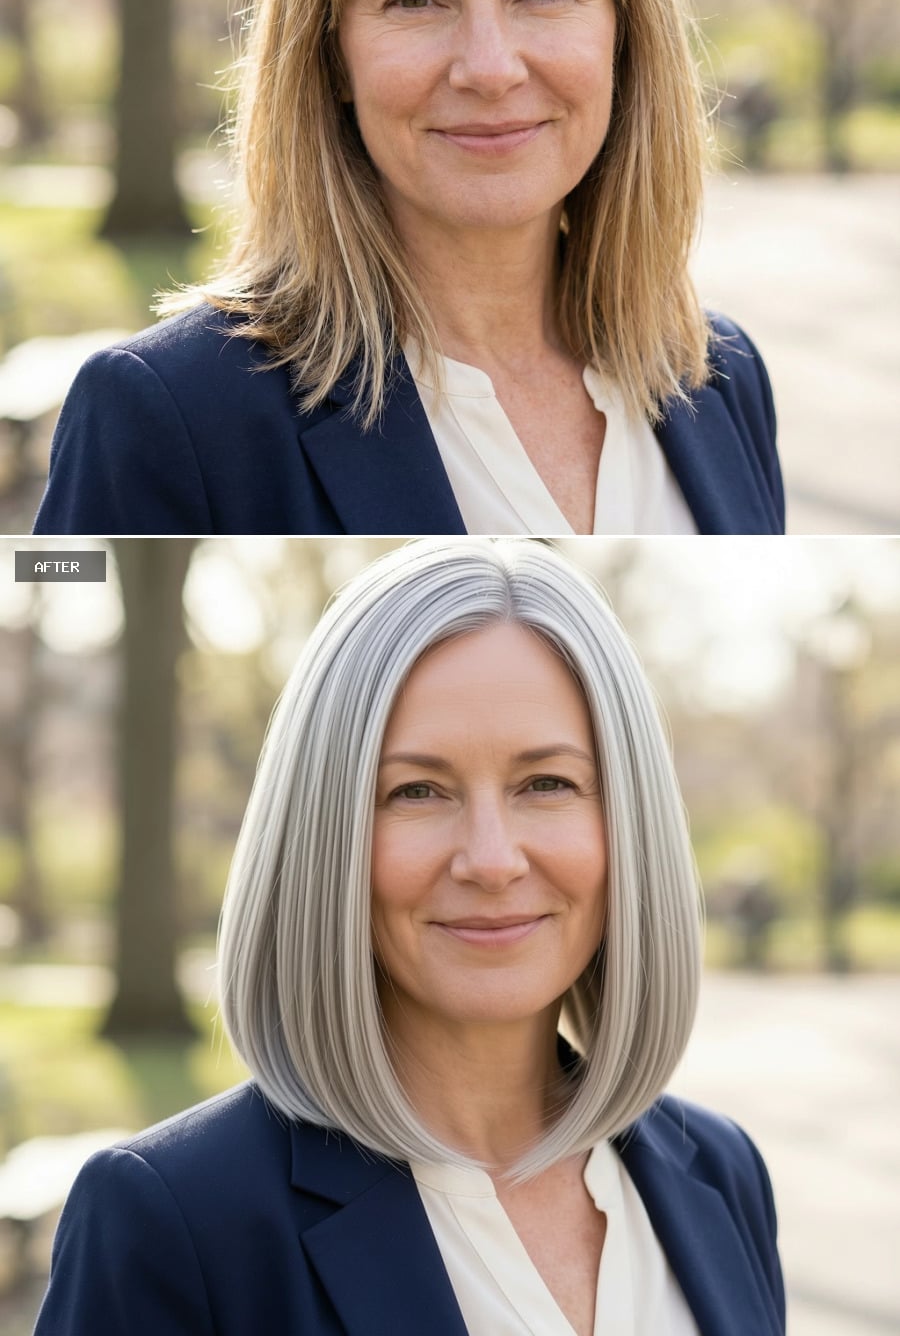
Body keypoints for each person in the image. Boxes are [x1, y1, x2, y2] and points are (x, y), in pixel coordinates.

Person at [34, 0, 783, 537]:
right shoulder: (168, 414)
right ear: (330, 54)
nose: (490, 68)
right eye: (415, 0)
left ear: (625, 35)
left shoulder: (721, 376)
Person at [35, 538, 786, 1335]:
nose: (492, 860)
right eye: (417, 790)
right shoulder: (174, 1220)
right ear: (324, 834)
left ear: (627, 823)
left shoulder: (719, 1170)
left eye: (547, 783)